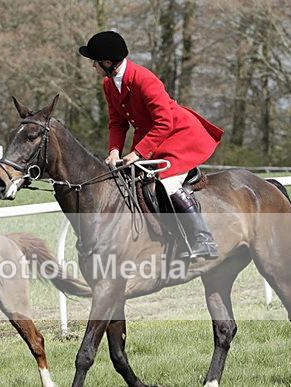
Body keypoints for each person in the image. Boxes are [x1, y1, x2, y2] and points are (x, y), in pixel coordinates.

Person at [78, 30, 223, 260]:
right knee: (128, 180)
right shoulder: (109, 85)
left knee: (167, 181)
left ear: (107, 63)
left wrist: (137, 153)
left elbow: (165, 122)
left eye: (94, 62)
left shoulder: (144, 79)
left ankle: (203, 239)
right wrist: (114, 151)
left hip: (179, 135)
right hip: (152, 138)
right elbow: (117, 122)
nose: (92, 66)